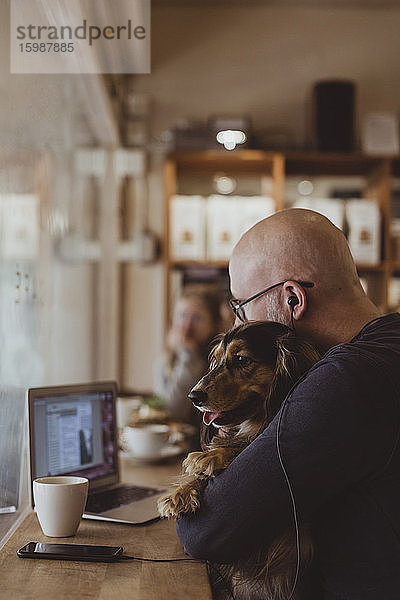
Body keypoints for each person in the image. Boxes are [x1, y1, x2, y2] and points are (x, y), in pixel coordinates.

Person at [176, 208, 400, 599]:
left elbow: (207, 529)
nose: (238, 325)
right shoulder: (388, 347)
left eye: (241, 307)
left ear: (293, 298)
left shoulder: (349, 379)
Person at [154, 284, 223, 426]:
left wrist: (189, 355)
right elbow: (168, 412)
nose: (186, 326)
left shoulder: (221, 362)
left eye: (196, 318)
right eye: (181, 316)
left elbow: (175, 411)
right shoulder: (167, 360)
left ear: (214, 324)